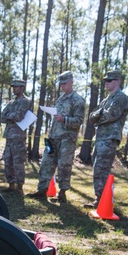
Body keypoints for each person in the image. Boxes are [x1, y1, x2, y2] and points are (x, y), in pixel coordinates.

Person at [28, 71, 84, 202]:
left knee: (64, 165)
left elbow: (79, 121)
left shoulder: (78, 100)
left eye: (64, 83)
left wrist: (64, 119)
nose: (62, 86)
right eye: (61, 84)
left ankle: (62, 193)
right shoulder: (60, 99)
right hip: (53, 138)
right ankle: (42, 190)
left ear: (71, 82)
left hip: (67, 139)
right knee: (46, 163)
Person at [87, 70, 128, 208]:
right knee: (97, 168)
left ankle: (102, 200)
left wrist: (99, 115)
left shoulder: (121, 98)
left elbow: (110, 115)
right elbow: (91, 117)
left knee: (102, 169)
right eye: (105, 80)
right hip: (100, 137)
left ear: (118, 81)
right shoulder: (106, 100)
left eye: (110, 80)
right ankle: (100, 198)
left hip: (110, 138)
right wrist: (99, 114)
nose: (106, 83)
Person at [0, 78, 31, 194]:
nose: (14, 89)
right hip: (9, 136)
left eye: (16, 87)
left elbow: (19, 116)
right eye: (13, 87)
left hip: (18, 136)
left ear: (22, 88)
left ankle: (19, 187)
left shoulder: (25, 101)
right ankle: (11, 184)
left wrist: (10, 116)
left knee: (18, 162)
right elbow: (3, 116)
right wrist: (10, 116)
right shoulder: (11, 102)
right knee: (7, 161)